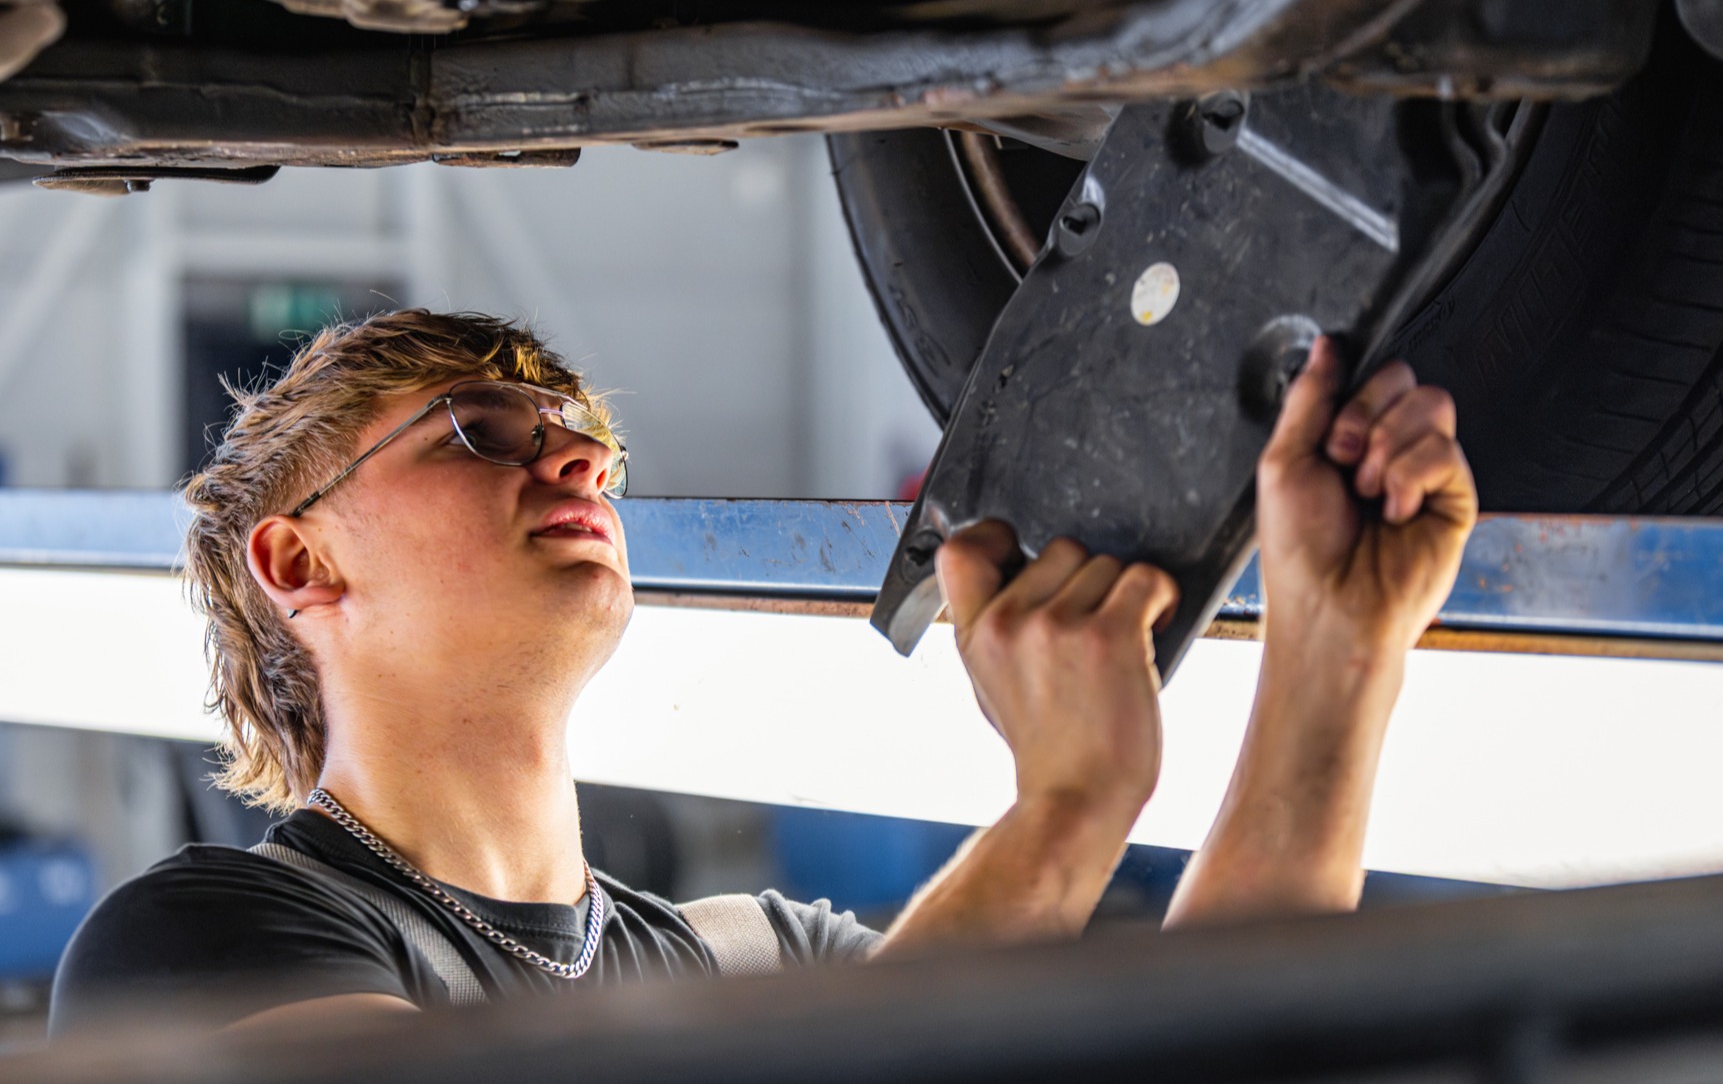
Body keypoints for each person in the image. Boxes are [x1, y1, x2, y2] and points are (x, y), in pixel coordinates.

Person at [48, 308, 1475, 1034]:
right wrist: (1066, 809)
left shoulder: (766, 961)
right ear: (300, 561)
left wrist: (1339, 650)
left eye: (589, 439)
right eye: (483, 429)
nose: (576, 458)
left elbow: (1198, 1043)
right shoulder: (197, 948)